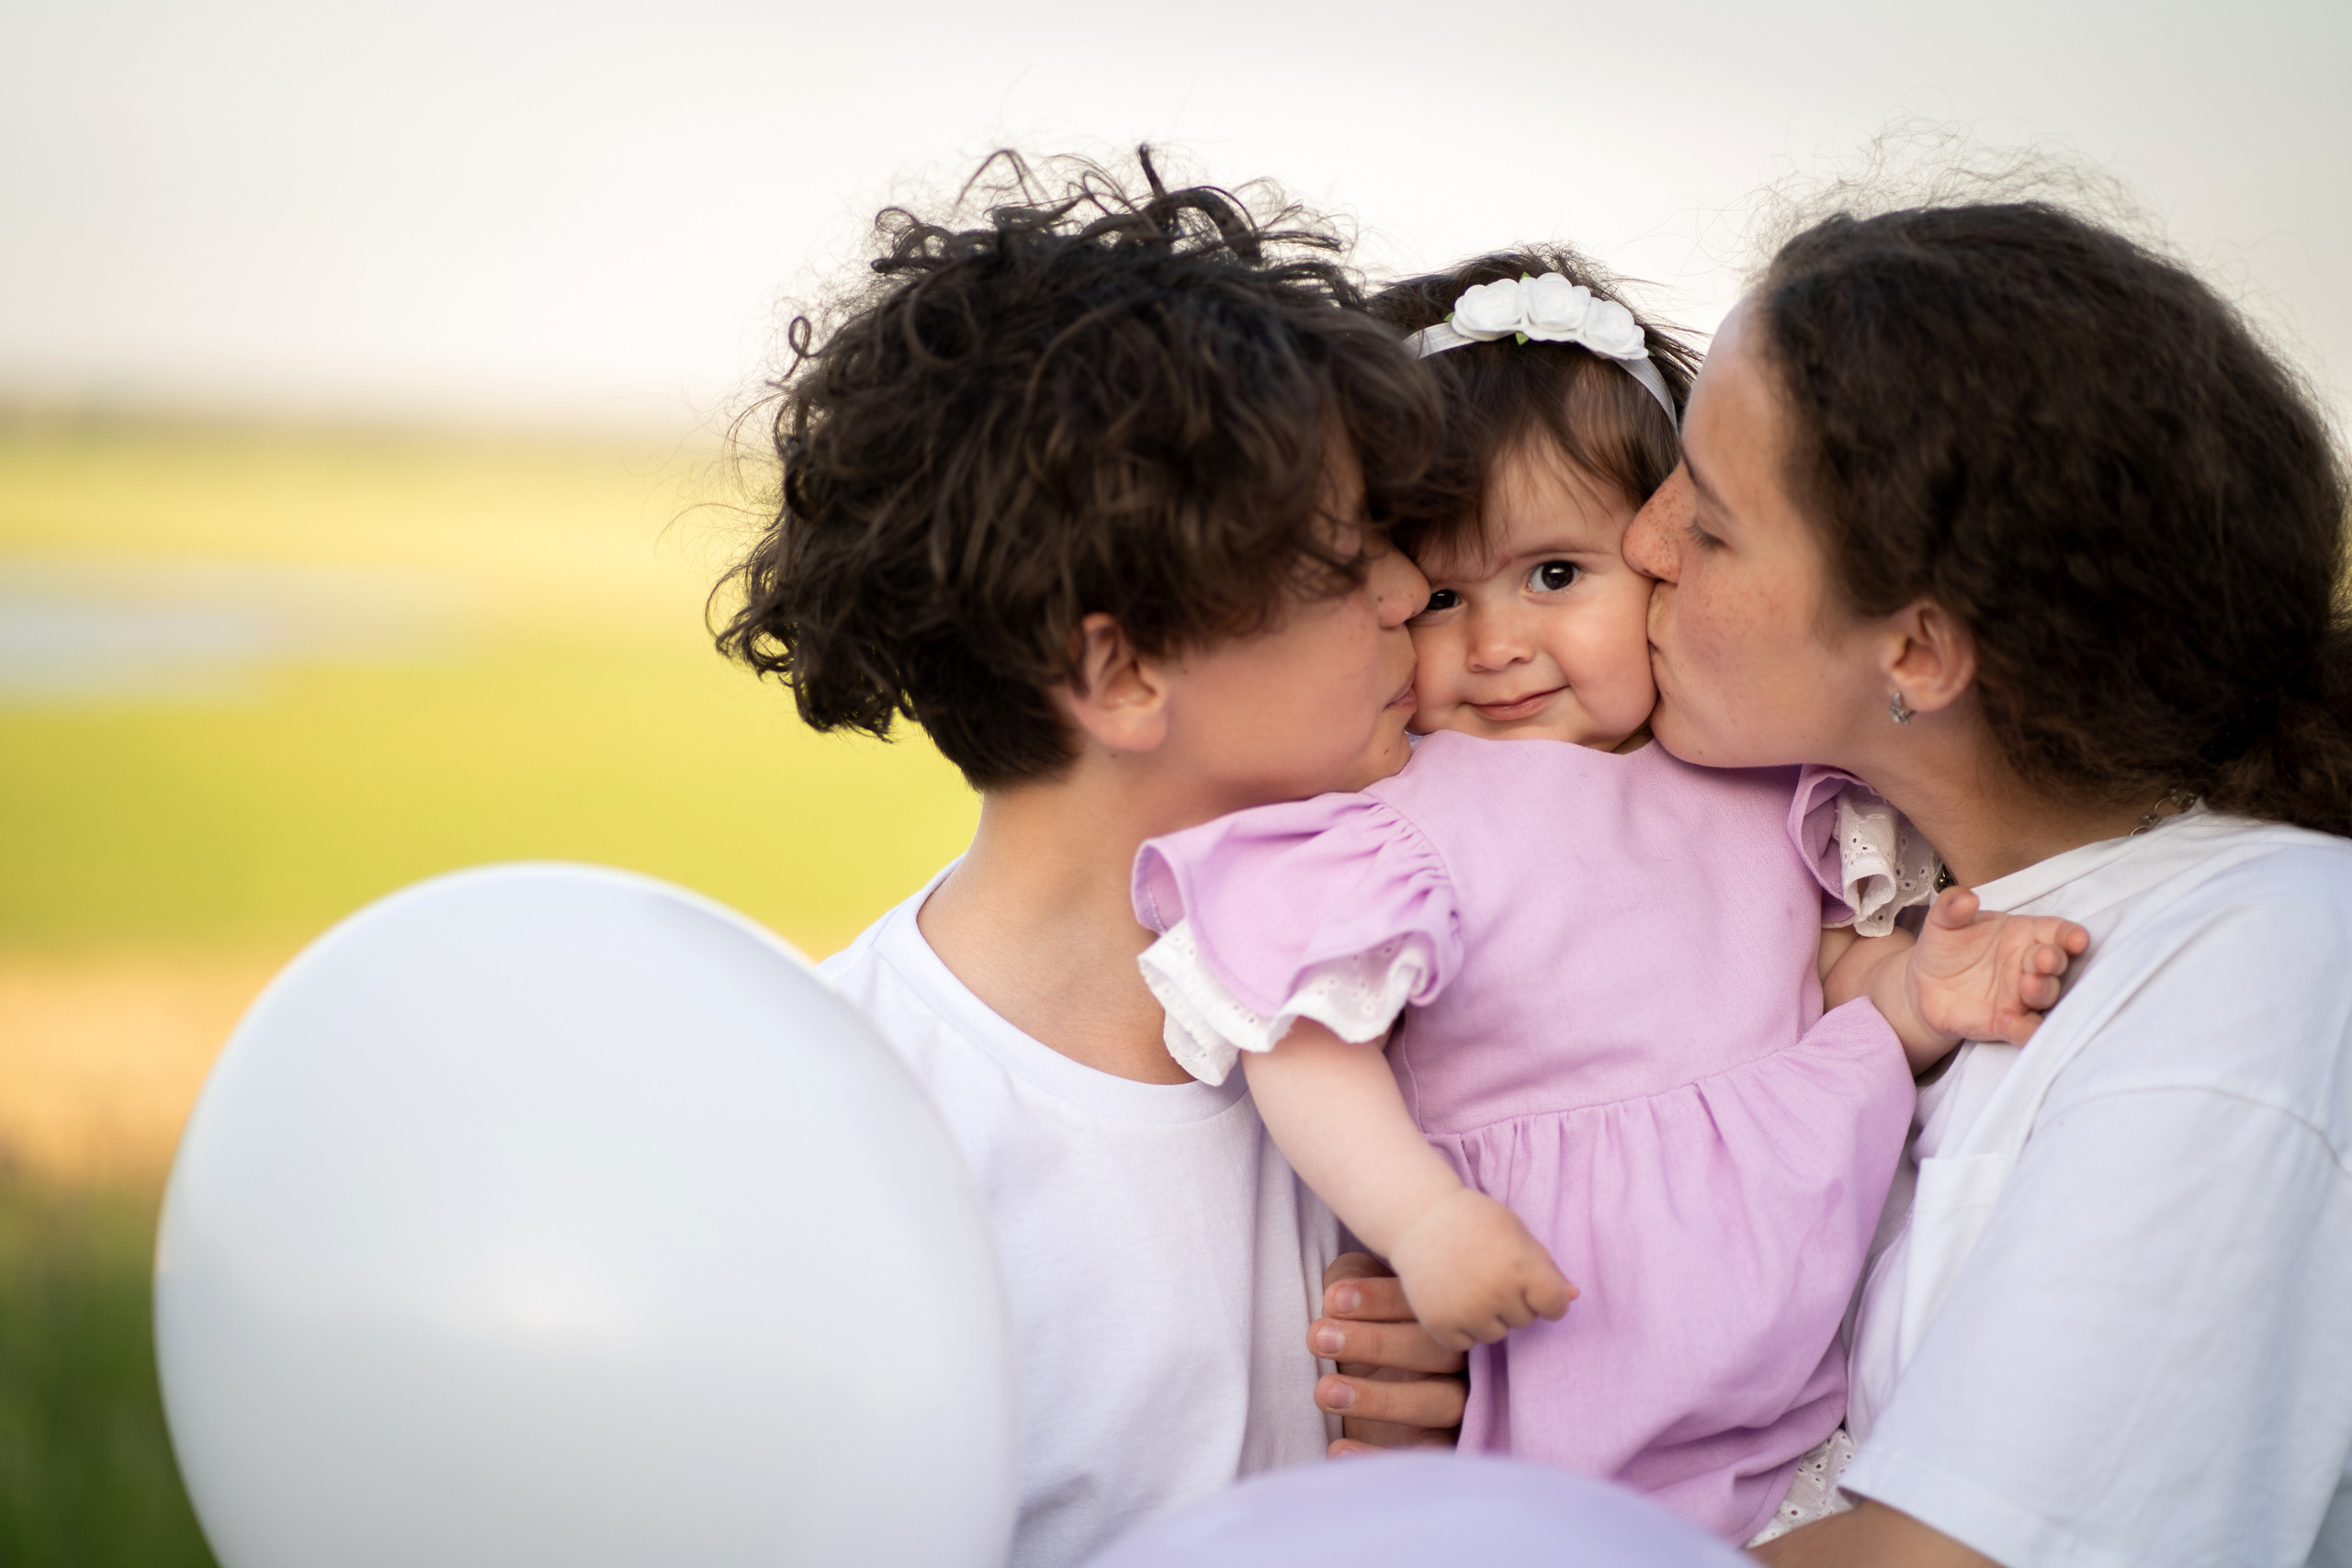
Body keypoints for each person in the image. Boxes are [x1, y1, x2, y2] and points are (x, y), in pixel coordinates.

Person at [1124, 251, 2086, 1544]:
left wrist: (1918, 986)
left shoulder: (1756, 782)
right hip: (1542, 1342)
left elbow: (1808, 987)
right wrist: (1423, 1217)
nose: (1498, 643)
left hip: (1787, 1381)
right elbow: (1300, 1029)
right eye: (1444, 598)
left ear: (1663, 560)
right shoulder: (1413, 813)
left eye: (1555, 576)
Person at [711, 154, 1447, 1568]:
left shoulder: (1408, 998)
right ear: (1120, 673)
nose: (1410, 596)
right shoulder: (848, 1138)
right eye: (1345, 560)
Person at [1616, 201, 2352, 1565]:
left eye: (1711, 527)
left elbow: (1943, 1555)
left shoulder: (2261, 956)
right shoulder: (1835, 906)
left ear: (1917, 652)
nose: (1644, 545)